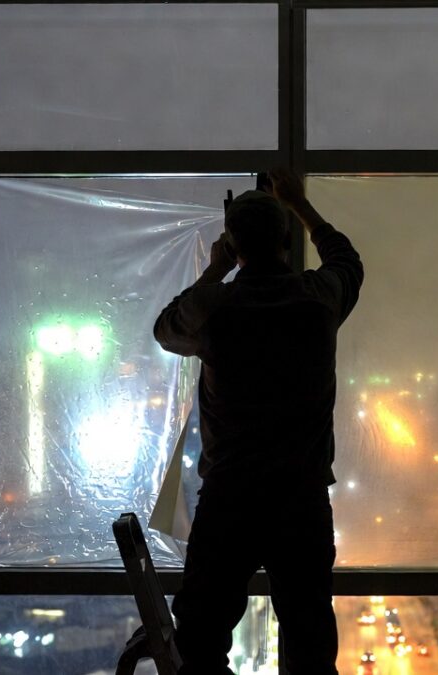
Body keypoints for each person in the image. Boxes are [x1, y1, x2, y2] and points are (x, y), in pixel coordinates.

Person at [154, 168, 363, 674]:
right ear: (286, 240)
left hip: (231, 497)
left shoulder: (217, 308)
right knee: (310, 643)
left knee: (201, 638)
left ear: (233, 244)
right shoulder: (316, 301)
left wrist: (213, 269)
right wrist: (299, 204)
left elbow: (166, 329)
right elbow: (347, 261)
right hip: (301, 497)